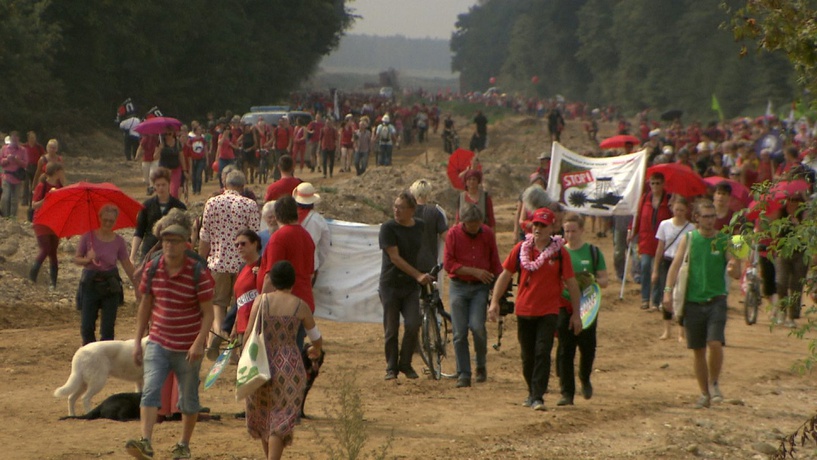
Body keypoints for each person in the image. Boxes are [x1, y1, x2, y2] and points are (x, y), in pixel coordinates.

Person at [126, 209, 215, 460]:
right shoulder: (153, 268)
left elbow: (208, 313)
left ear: (185, 243)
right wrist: (137, 341)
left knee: (188, 399)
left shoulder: (197, 271)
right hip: (159, 340)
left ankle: (183, 444)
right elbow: (145, 305)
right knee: (150, 390)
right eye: (165, 241)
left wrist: (199, 343)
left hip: (187, 345)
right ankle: (145, 441)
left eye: (174, 241)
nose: (169, 245)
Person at [488, 207, 581, 411]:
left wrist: (576, 313)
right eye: (536, 224)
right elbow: (505, 275)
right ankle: (532, 392)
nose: (538, 228)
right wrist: (495, 301)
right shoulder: (521, 249)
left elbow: (572, 283)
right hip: (524, 310)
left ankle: (538, 396)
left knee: (542, 352)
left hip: (548, 311)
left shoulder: (559, 253)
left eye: (543, 225)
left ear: (552, 228)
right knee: (527, 356)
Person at [662, 200, 741, 409]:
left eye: (712, 216)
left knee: (715, 342)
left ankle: (714, 383)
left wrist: (734, 267)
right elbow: (675, 266)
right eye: (706, 216)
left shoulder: (723, 240)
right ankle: (704, 393)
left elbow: (736, 271)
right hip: (692, 302)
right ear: (696, 217)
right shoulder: (689, 239)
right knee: (698, 350)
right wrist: (667, 291)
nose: (710, 220)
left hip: (717, 299)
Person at [244, 260, 323, 460]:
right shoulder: (300, 305)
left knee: (264, 414)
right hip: (289, 364)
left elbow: (248, 333)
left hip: (262, 361)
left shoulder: (261, 301)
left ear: (271, 280)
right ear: (293, 281)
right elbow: (316, 337)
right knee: (281, 417)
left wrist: (246, 361)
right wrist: (315, 349)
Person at [199, 170, 260, 359]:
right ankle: (233, 352)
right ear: (243, 186)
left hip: (218, 262)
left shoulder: (212, 203)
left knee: (218, 303)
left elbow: (205, 236)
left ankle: (217, 334)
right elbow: (255, 236)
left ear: (224, 184)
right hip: (243, 263)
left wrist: (201, 261)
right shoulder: (250, 205)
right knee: (240, 305)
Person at [443, 204, 502, 388]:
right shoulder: (453, 234)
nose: (475, 228)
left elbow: (495, 262)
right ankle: (464, 373)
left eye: (477, 224)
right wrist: (474, 271)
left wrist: (498, 291)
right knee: (459, 332)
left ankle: (481, 364)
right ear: (464, 222)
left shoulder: (487, 234)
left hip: (479, 288)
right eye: (471, 225)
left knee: (477, 327)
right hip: (458, 286)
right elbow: (448, 264)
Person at [379, 191, 433, 380]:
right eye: (395, 206)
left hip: (409, 286)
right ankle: (391, 367)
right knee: (391, 329)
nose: (396, 210)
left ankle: (405, 363)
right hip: (390, 284)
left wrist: (427, 272)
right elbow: (395, 258)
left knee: (413, 324)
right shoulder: (388, 228)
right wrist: (418, 275)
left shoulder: (420, 226)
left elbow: (423, 251)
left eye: (401, 207)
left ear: (412, 210)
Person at [557, 213, 608, 406]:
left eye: (573, 231)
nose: (570, 235)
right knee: (565, 349)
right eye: (566, 231)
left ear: (581, 230)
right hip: (565, 305)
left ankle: (585, 377)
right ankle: (567, 393)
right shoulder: (559, 252)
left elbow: (605, 280)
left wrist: (592, 280)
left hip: (588, 306)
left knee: (587, 347)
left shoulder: (593, 252)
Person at [256, 196, 315, 348]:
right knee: (295, 350)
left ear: (276, 216)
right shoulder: (307, 236)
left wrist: (261, 305)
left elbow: (270, 276)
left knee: (276, 352)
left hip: (283, 306)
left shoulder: (279, 237)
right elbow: (310, 274)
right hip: (303, 301)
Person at [74, 205, 136, 345]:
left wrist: (138, 284)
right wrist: (87, 259)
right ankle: (90, 352)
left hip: (110, 285)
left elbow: (126, 264)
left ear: (115, 221)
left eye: (111, 221)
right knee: (87, 327)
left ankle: (105, 354)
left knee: (108, 329)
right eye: (105, 220)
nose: (108, 223)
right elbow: (77, 259)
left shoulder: (119, 241)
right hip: (90, 284)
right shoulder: (87, 237)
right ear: (100, 218)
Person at [629, 172, 672, 310]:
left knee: (657, 269)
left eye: (658, 183)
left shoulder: (668, 200)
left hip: (661, 241)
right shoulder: (645, 198)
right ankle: (645, 298)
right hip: (646, 239)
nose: (655, 186)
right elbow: (637, 216)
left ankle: (656, 300)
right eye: (652, 183)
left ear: (663, 184)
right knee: (645, 266)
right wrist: (632, 231)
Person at [651, 196, 692, 341]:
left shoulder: (691, 228)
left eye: (682, 210)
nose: (679, 213)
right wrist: (655, 269)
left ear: (686, 211)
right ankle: (667, 330)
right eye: (676, 209)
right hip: (667, 261)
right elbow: (660, 248)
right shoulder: (664, 225)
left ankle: (681, 331)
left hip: (683, 263)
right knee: (666, 295)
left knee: (682, 295)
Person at [130, 167, 187, 264]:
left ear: (169, 184)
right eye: (158, 185)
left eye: (163, 185)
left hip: (172, 252)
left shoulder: (179, 206)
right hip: (149, 251)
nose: (161, 188)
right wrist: (132, 256)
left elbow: (185, 233)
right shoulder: (147, 205)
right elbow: (139, 232)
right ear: (154, 186)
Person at [29, 162, 66, 289]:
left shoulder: (60, 186)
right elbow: (34, 205)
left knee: (53, 251)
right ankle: (32, 277)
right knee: (45, 248)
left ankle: (53, 283)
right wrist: (47, 198)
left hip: (54, 220)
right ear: (56, 171)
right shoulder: (42, 186)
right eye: (61, 171)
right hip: (41, 220)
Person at [293, 182, 330, 282]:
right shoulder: (319, 220)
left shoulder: (288, 218)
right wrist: (317, 263)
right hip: (311, 266)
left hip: (290, 265)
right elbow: (325, 247)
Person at [410, 179, 448, 274]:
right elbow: (446, 237)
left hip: (409, 264)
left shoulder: (407, 211)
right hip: (429, 264)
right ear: (428, 193)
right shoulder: (435, 212)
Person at [231, 229, 262, 341]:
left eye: (243, 244)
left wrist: (261, 275)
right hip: (242, 327)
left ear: (255, 244)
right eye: (237, 245)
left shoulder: (264, 265)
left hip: (258, 328)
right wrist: (234, 327)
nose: (239, 247)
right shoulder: (242, 268)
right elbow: (239, 302)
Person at [0, 131, 28, 219]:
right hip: (7, 176)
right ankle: (5, 216)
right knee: (6, 197)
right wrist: (7, 160)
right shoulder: (5, 148)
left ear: (18, 139)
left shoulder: (22, 150)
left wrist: (17, 160)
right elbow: (1, 161)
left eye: (16, 138)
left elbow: (25, 164)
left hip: (17, 177)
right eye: (13, 138)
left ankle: (13, 218)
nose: (14, 140)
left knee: (15, 199)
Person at [22, 131, 45, 207]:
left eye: (34, 137)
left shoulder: (39, 147)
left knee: (34, 185)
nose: (33, 139)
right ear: (28, 138)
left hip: (36, 167)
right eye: (31, 138)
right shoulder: (24, 146)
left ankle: (32, 201)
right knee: (26, 184)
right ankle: (24, 200)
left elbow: (43, 156)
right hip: (27, 167)